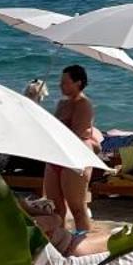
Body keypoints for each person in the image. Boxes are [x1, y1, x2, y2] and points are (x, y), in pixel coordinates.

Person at [39, 64, 95, 250]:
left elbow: (77, 133)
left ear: (78, 83)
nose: (61, 85)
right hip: (57, 156)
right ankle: (60, 245)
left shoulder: (84, 104)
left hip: (75, 157)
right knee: (56, 209)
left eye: (65, 82)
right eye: (61, 81)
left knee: (77, 207)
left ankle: (83, 247)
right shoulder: (62, 103)